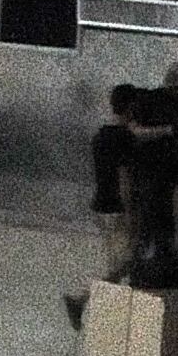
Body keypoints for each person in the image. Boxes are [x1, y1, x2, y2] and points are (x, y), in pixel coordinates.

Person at [66, 85, 145, 324]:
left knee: (117, 262)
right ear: (130, 106)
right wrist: (130, 211)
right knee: (130, 260)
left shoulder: (101, 135)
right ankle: (83, 299)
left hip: (101, 204)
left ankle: (109, 316)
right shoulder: (124, 138)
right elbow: (124, 178)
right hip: (118, 208)